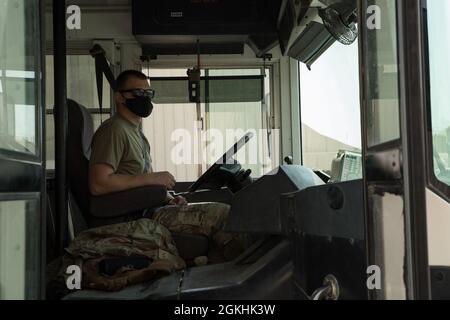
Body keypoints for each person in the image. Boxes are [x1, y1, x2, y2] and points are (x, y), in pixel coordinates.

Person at [89, 70, 249, 261]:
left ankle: (220, 271)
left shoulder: (135, 133)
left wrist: (167, 197)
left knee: (223, 210)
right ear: (120, 97)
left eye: (148, 94)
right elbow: (99, 183)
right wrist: (152, 178)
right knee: (220, 214)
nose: (145, 99)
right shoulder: (114, 130)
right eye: (138, 94)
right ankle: (242, 271)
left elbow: (136, 182)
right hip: (138, 216)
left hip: (151, 207)